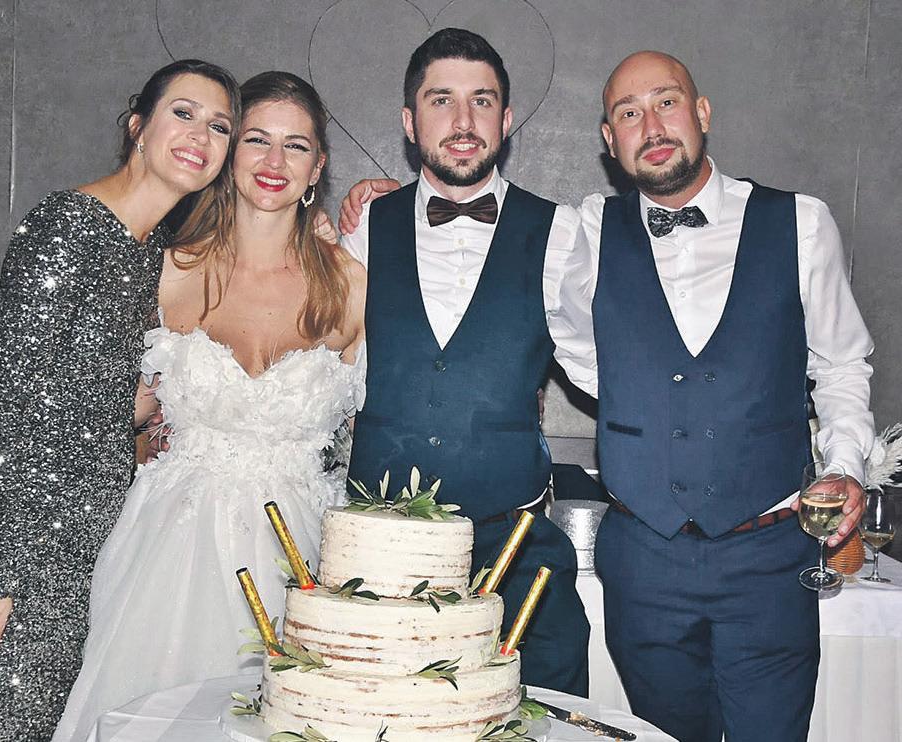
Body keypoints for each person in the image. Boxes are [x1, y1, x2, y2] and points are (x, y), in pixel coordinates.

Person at [0, 60, 241, 742]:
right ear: (138, 126)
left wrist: (150, 402)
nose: (200, 136)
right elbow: (8, 405)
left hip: (78, 548)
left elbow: (79, 403)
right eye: (183, 113)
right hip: (7, 545)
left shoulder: (149, 251)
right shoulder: (67, 225)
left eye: (219, 126)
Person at [564, 51, 873, 742]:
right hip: (643, 559)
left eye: (666, 102)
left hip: (770, 557)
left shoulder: (801, 222)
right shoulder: (583, 232)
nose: (651, 126)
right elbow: (573, 347)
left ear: (701, 112)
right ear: (609, 140)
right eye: (628, 113)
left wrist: (845, 466)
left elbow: (842, 363)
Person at [51, 71, 366, 741]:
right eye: (256, 139)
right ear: (227, 152)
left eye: (296, 145)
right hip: (170, 550)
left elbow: (370, 432)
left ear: (318, 166)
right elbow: (111, 410)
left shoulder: (349, 286)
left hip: (301, 553)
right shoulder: (169, 270)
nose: (274, 161)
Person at [337, 28, 589, 696]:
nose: (463, 121)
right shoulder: (363, 227)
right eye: (441, 100)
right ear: (409, 122)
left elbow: (608, 368)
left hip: (515, 545)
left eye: (482, 101)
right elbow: (326, 363)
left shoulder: (563, 232)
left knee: (546, 715)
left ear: (506, 120)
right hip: (377, 554)